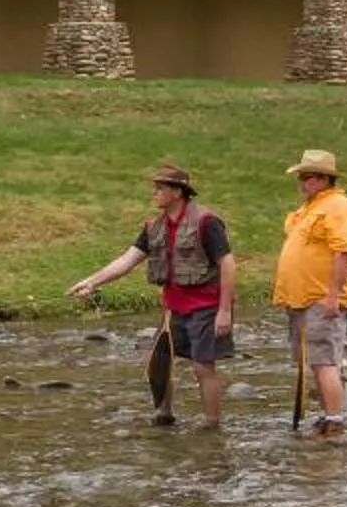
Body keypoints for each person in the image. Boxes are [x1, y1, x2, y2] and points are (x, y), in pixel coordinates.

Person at [70, 162, 238, 428]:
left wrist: (225, 311)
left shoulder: (206, 222)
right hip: (174, 308)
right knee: (157, 362)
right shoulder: (154, 227)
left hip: (207, 306)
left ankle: (212, 424)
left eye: (160, 188)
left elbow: (227, 264)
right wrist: (91, 282)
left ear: (178, 192)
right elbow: (127, 260)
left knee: (202, 367)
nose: (154, 193)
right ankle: (164, 413)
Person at [274, 148, 347, 436]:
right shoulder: (309, 208)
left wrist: (333, 296)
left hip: (320, 297)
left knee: (325, 360)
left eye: (310, 177)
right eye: (302, 177)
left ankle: (335, 420)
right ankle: (327, 415)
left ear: (326, 178)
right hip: (300, 297)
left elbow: (344, 251)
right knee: (314, 360)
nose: (304, 182)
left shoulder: (339, 206)